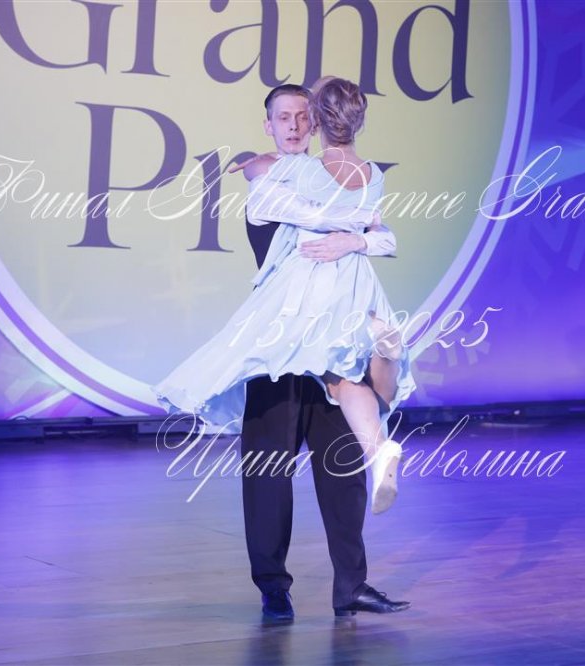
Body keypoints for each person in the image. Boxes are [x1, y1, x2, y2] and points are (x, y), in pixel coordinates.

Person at [154, 81, 412, 620]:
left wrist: (360, 237)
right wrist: (356, 230)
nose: (294, 125)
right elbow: (312, 208)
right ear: (268, 126)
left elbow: (381, 232)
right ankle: (273, 586)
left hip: (328, 348)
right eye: (283, 118)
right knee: (268, 474)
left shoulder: (320, 175)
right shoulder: (273, 181)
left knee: (342, 470)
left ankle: (352, 586)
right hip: (275, 355)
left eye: (302, 116)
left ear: (315, 123)